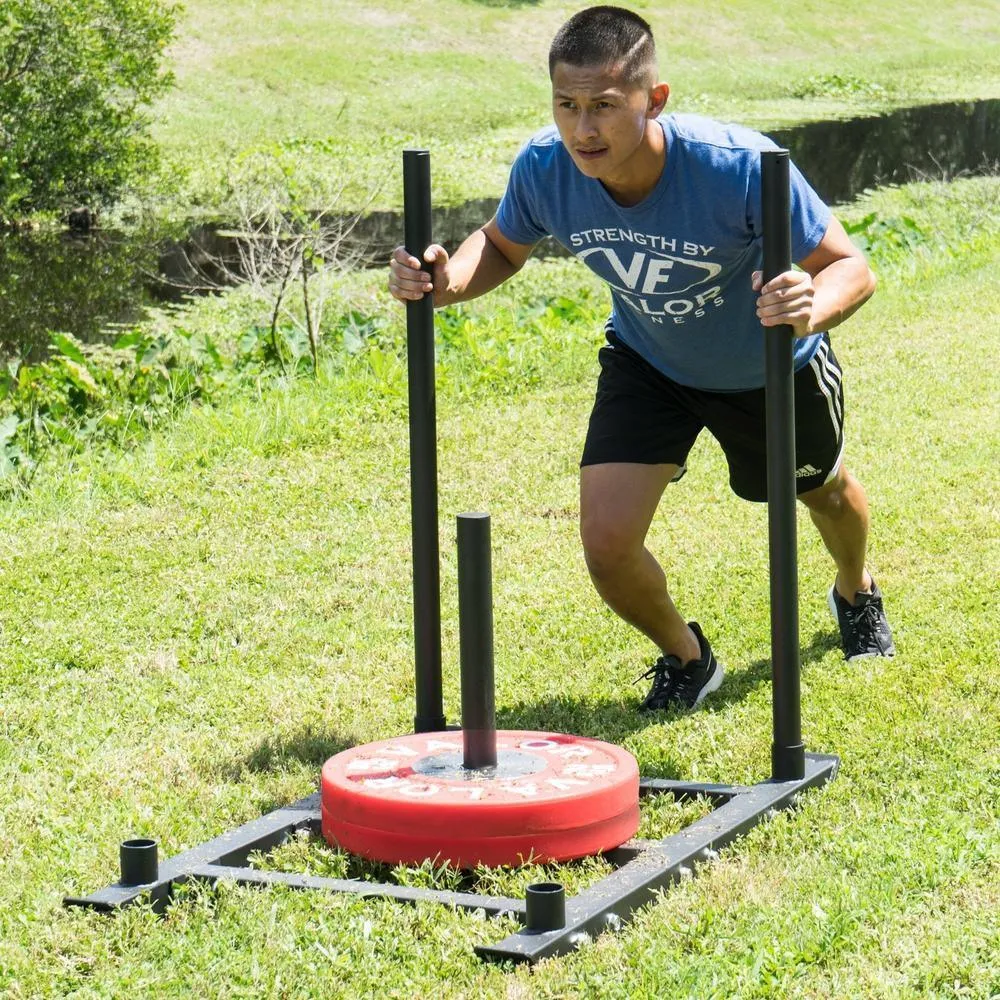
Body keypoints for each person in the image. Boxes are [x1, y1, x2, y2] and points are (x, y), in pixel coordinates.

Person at [388, 5, 895, 712]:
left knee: (824, 494)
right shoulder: (545, 168)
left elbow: (852, 268)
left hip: (768, 366)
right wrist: (444, 282)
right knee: (606, 542)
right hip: (649, 363)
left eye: (603, 106)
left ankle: (856, 588)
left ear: (653, 100)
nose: (582, 129)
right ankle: (689, 657)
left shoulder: (737, 167)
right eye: (567, 105)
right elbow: (501, 246)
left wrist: (810, 301)